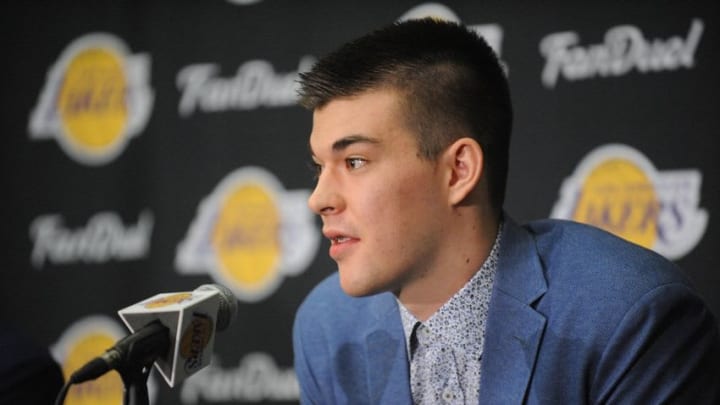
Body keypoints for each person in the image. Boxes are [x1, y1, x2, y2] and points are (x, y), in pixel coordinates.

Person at [292, 18, 720, 404]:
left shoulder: (628, 319)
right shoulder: (327, 328)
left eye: (355, 162)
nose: (319, 198)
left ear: (458, 171)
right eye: (318, 167)